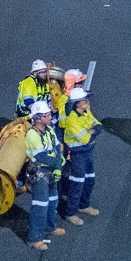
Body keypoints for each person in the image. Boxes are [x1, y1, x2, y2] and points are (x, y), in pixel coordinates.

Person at [23, 101, 66, 250]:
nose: (50, 116)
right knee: (40, 206)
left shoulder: (49, 130)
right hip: (40, 173)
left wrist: (58, 164)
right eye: (47, 115)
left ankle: (49, 226)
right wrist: (59, 165)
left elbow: (57, 148)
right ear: (39, 118)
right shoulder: (32, 135)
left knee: (52, 201)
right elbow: (43, 157)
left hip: (52, 171)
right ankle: (34, 238)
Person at [61, 88, 101, 224]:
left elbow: (98, 125)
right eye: (85, 100)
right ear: (78, 103)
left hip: (87, 153)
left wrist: (92, 130)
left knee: (90, 181)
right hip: (78, 155)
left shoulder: (86, 112)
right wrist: (92, 131)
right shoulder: (72, 120)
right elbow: (87, 138)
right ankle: (70, 213)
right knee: (77, 184)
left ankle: (84, 205)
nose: (88, 102)